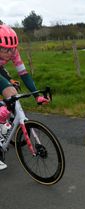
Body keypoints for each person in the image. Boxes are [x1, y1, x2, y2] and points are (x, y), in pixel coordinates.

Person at [0, 24, 50, 170]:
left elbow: (24, 74)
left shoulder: (14, 52)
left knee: (12, 94)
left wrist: (37, 96)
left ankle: (3, 123)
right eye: (4, 49)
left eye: (11, 49)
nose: (9, 53)